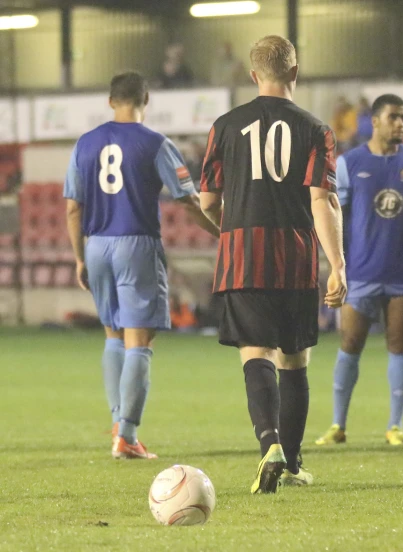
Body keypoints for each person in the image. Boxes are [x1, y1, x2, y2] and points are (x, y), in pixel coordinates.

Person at [199, 35, 346, 493]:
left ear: (253, 75)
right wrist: (337, 265)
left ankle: (270, 445)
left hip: (243, 255)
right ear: (295, 74)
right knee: (295, 360)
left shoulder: (224, 126)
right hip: (296, 258)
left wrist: (232, 228)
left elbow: (206, 200)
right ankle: (295, 461)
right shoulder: (316, 129)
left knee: (254, 353)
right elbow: (322, 199)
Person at [63, 71, 219, 459]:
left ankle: (119, 424)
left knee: (113, 335)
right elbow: (186, 198)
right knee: (140, 342)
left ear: (110, 101)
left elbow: (71, 207)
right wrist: (222, 233)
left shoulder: (85, 143)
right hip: (135, 243)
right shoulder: (154, 143)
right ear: (145, 101)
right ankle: (128, 437)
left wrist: (80, 256)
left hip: (96, 245)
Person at [314, 94, 403, 447]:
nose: (400, 123)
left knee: (398, 346)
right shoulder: (349, 164)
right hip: (360, 273)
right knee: (350, 344)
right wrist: (336, 267)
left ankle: (395, 425)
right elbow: (335, 217)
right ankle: (338, 425)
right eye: (394, 117)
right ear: (374, 121)